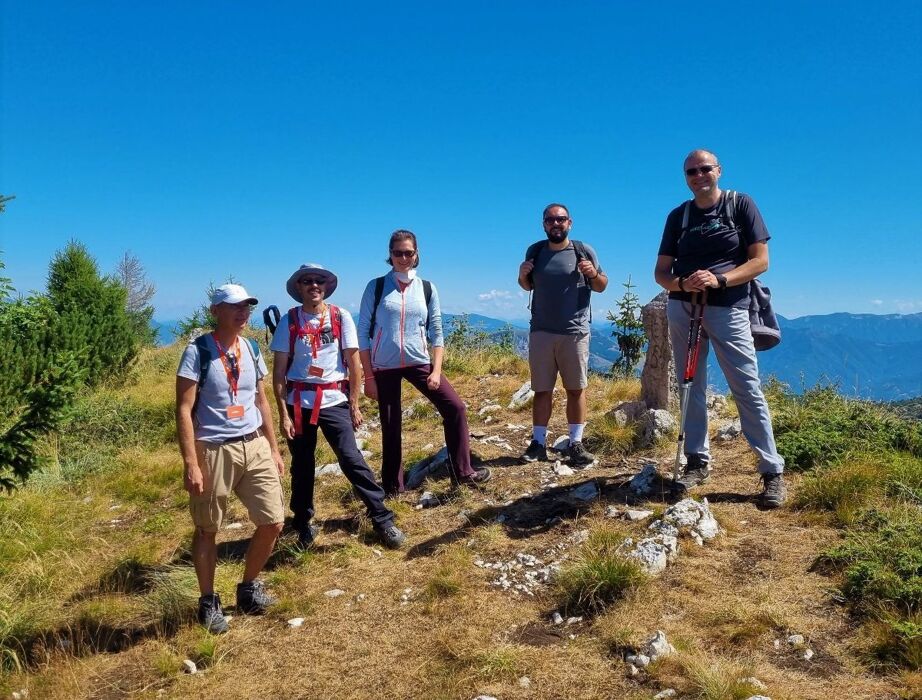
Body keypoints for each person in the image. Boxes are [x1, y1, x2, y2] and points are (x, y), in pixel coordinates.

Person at [654, 149, 786, 508]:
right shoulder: (678, 216)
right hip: (684, 307)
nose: (699, 175)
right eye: (691, 172)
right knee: (689, 383)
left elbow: (760, 262)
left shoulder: (741, 205)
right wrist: (683, 284)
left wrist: (719, 279)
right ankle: (697, 460)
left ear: (719, 171)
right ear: (686, 177)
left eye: (705, 169)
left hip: (728, 307)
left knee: (746, 386)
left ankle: (771, 470)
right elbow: (661, 274)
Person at [176, 283, 286, 634]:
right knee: (208, 528)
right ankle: (208, 601)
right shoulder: (198, 351)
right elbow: (183, 408)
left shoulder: (252, 347)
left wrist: (272, 447)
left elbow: (261, 400)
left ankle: (249, 589)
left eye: (247, 307)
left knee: (273, 521)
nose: (243, 313)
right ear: (215, 311)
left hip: (253, 443)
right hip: (214, 449)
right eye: (234, 306)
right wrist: (191, 462)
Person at [271, 263, 406, 549]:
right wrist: (283, 415)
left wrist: (354, 405)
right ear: (299, 287)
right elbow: (279, 372)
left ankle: (382, 517)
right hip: (299, 404)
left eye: (318, 281)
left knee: (351, 458)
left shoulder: (340, 316)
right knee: (303, 465)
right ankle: (303, 522)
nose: (313, 285)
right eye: (307, 281)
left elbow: (353, 364)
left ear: (326, 286)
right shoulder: (289, 321)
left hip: (334, 401)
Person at [357, 230, 491, 496]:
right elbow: (363, 332)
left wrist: (437, 370)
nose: (403, 258)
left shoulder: (427, 288)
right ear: (390, 255)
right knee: (391, 425)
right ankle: (394, 488)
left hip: (419, 361)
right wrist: (368, 377)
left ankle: (464, 472)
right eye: (398, 253)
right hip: (384, 365)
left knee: (455, 408)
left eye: (408, 252)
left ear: (416, 254)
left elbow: (437, 332)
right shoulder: (377, 287)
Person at [516, 204, 608, 466]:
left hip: (575, 332)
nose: (556, 224)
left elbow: (601, 286)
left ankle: (575, 444)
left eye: (561, 219)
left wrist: (593, 273)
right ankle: (538, 444)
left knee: (576, 389)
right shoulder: (535, 251)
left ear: (570, 223)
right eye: (550, 220)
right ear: (544, 224)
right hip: (542, 330)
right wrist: (521, 275)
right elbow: (528, 285)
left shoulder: (583, 250)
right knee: (541, 389)